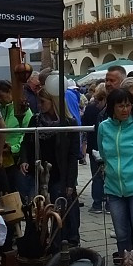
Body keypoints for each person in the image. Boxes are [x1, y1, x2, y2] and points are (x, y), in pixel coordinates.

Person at [97, 88, 133, 255]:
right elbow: (103, 152)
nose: (125, 110)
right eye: (120, 106)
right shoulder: (104, 127)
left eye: (128, 105)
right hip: (114, 188)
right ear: (112, 108)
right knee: (121, 234)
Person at [20, 88, 80, 246]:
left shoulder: (68, 123)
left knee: (60, 209)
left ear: (54, 101)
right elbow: (26, 143)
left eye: (43, 102)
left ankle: (61, 242)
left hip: (60, 174)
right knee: (38, 210)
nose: (39, 105)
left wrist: (70, 182)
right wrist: (24, 160)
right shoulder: (36, 120)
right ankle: (40, 241)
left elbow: (73, 156)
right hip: (39, 173)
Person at [0, 79, 34, 201]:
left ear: (10, 91)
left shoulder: (22, 110)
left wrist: (14, 148)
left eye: (1, 96)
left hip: (17, 158)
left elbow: (26, 134)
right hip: (2, 157)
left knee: (19, 191)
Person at [83, 83, 109, 214]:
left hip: (94, 146)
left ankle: (97, 203)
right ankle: (109, 203)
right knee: (109, 175)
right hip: (109, 147)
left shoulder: (90, 108)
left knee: (97, 175)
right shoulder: (111, 109)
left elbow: (85, 125)